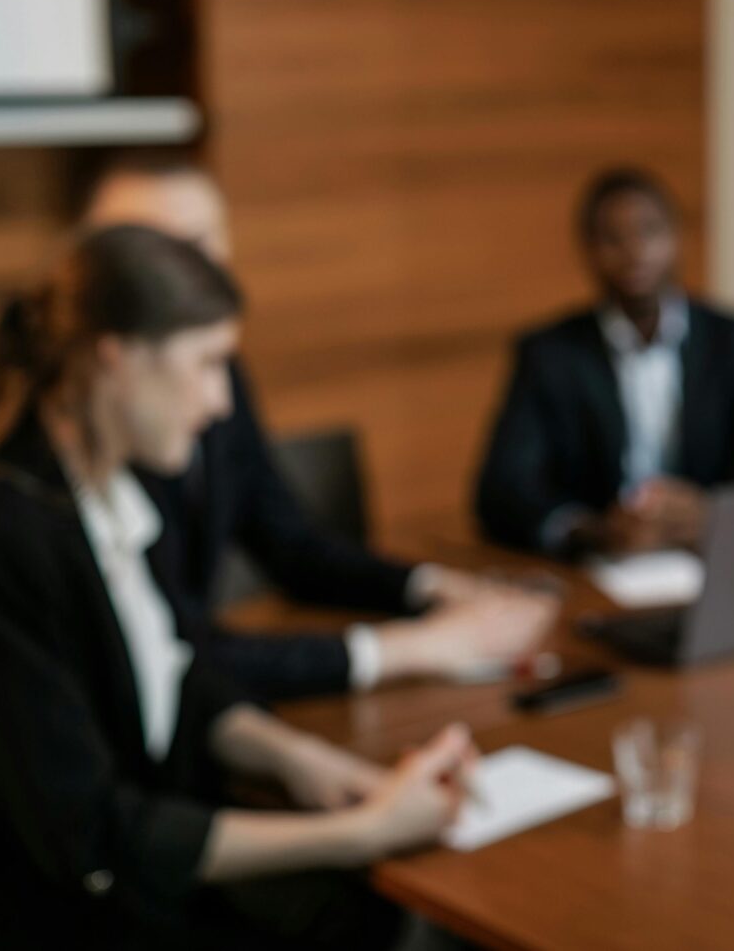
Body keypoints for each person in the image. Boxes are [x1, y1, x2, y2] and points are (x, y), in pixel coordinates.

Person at [0, 226, 474, 950]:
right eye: (207, 364)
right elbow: (95, 834)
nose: (221, 400)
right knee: (349, 899)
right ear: (118, 356)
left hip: (72, 877)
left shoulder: (113, 496)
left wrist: (300, 761)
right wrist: (358, 831)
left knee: (351, 908)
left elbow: (172, 671)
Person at [78, 155, 557, 700]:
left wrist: (433, 589)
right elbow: (176, 653)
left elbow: (291, 544)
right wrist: (408, 648)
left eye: (210, 243)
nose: (204, 276)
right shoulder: (74, 465)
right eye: (170, 254)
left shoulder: (214, 376)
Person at [475, 167, 734, 556]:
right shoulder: (551, 354)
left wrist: (714, 514)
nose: (634, 251)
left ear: (676, 237)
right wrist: (594, 530)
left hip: (716, 556)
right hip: (604, 567)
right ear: (588, 250)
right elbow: (499, 494)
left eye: (649, 231)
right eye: (612, 238)